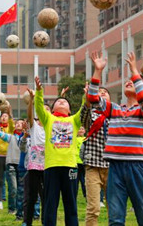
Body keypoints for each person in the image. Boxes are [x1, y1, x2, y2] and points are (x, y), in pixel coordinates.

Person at [88, 51, 143, 226]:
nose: (129, 82)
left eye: (134, 82)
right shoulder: (114, 109)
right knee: (115, 219)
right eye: (128, 81)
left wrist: (134, 69)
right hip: (115, 167)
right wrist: (98, 71)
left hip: (137, 167)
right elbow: (93, 98)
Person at [34, 76, 83, 226]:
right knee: (50, 203)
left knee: (71, 204)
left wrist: (86, 97)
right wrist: (39, 91)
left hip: (70, 166)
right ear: (53, 108)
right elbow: (39, 107)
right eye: (59, 101)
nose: (62, 102)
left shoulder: (74, 120)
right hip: (51, 166)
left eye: (65, 102)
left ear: (69, 110)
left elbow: (85, 110)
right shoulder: (48, 119)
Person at [80, 84, 110, 226]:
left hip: (112, 166)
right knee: (93, 208)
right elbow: (83, 119)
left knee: (114, 207)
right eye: (99, 92)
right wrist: (87, 101)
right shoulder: (91, 114)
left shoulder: (116, 115)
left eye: (105, 92)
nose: (102, 93)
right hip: (93, 166)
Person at [21, 89, 49, 226]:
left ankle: (46, 221)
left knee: (46, 197)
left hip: (48, 166)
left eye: (48, 109)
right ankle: (27, 222)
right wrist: (32, 100)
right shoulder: (35, 127)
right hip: (33, 166)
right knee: (31, 197)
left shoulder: (51, 126)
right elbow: (30, 114)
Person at [75, 126, 87, 199]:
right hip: (75, 163)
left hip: (83, 163)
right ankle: (74, 196)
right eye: (79, 129)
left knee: (84, 181)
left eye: (82, 129)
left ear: (85, 131)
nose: (81, 130)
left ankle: (86, 196)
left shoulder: (86, 139)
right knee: (75, 181)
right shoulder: (74, 139)